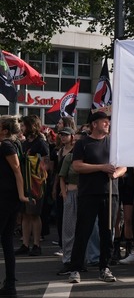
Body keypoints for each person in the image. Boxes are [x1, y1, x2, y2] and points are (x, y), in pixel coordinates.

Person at [68, 111, 126, 284]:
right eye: (104, 122)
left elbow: (124, 166)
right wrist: (101, 167)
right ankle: (75, 269)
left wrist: (116, 174)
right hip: (88, 193)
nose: (107, 124)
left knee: (107, 232)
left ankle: (105, 267)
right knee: (83, 231)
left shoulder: (114, 143)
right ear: (94, 124)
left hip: (110, 193)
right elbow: (77, 166)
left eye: (108, 122)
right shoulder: (83, 143)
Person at [0, 115, 30, 297]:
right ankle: (10, 285)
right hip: (10, 198)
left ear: (5, 130)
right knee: (7, 241)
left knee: (7, 240)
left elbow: (17, 170)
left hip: (7, 198)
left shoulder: (7, 145)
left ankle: (10, 285)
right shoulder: (12, 144)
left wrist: (21, 194)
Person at [15, 115, 49, 257]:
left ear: (31, 126)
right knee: (25, 214)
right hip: (24, 182)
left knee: (34, 214)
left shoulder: (40, 142)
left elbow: (47, 163)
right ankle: (25, 244)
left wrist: (36, 165)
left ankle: (36, 244)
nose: (21, 128)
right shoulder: (23, 143)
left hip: (35, 184)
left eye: (23, 126)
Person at [55, 127, 79, 276]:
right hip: (71, 194)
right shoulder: (69, 157)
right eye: (76, 141)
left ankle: (81, 259)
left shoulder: (90, 157)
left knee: (83, 230)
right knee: (68, 229)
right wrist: (64, 194)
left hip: (86, 196)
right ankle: (68, 260)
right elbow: (61, 176)